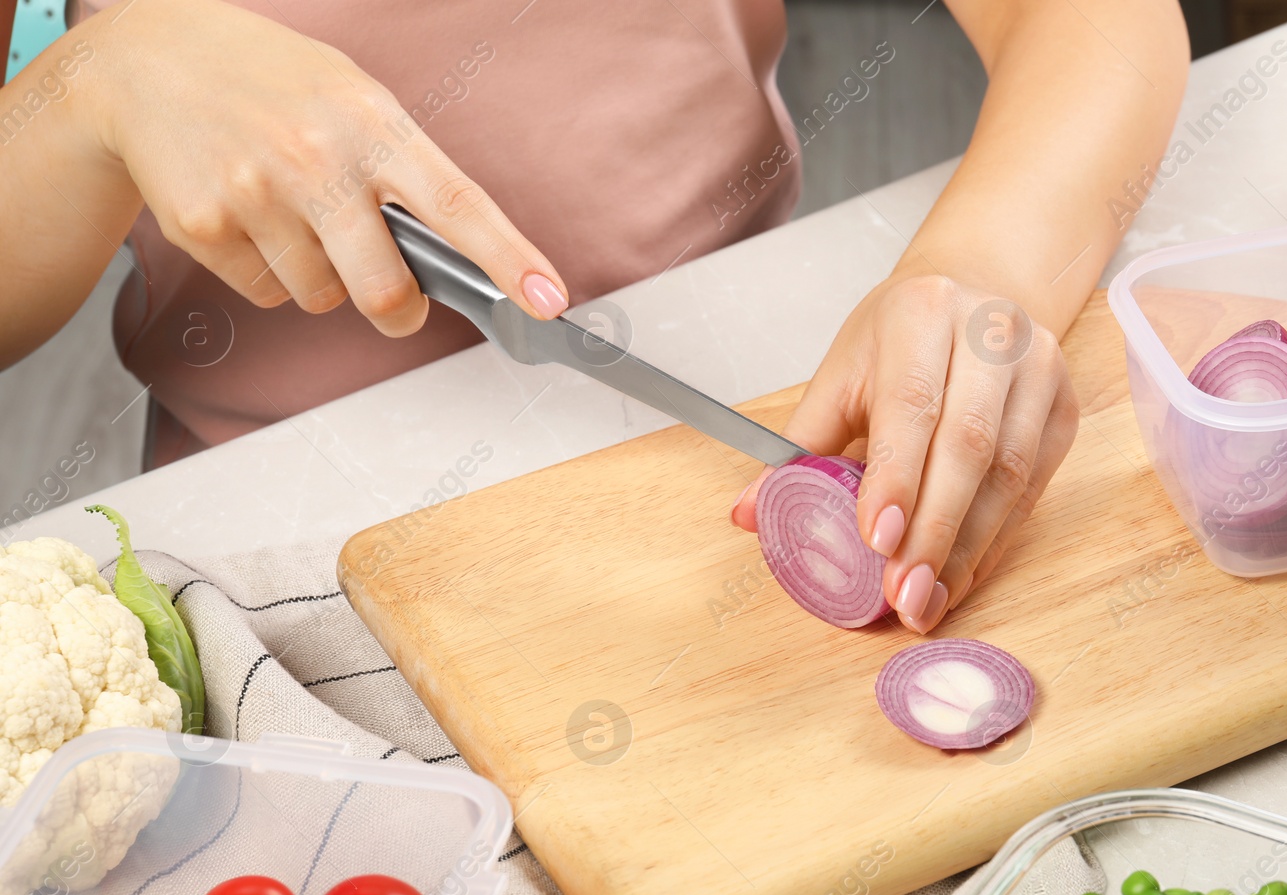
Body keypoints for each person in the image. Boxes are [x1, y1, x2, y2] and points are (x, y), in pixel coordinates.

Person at [0, 0, 1188, 632]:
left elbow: (1090, 21)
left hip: (737, 427)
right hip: (268, 562)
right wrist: (88, 89)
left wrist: (988, 267)